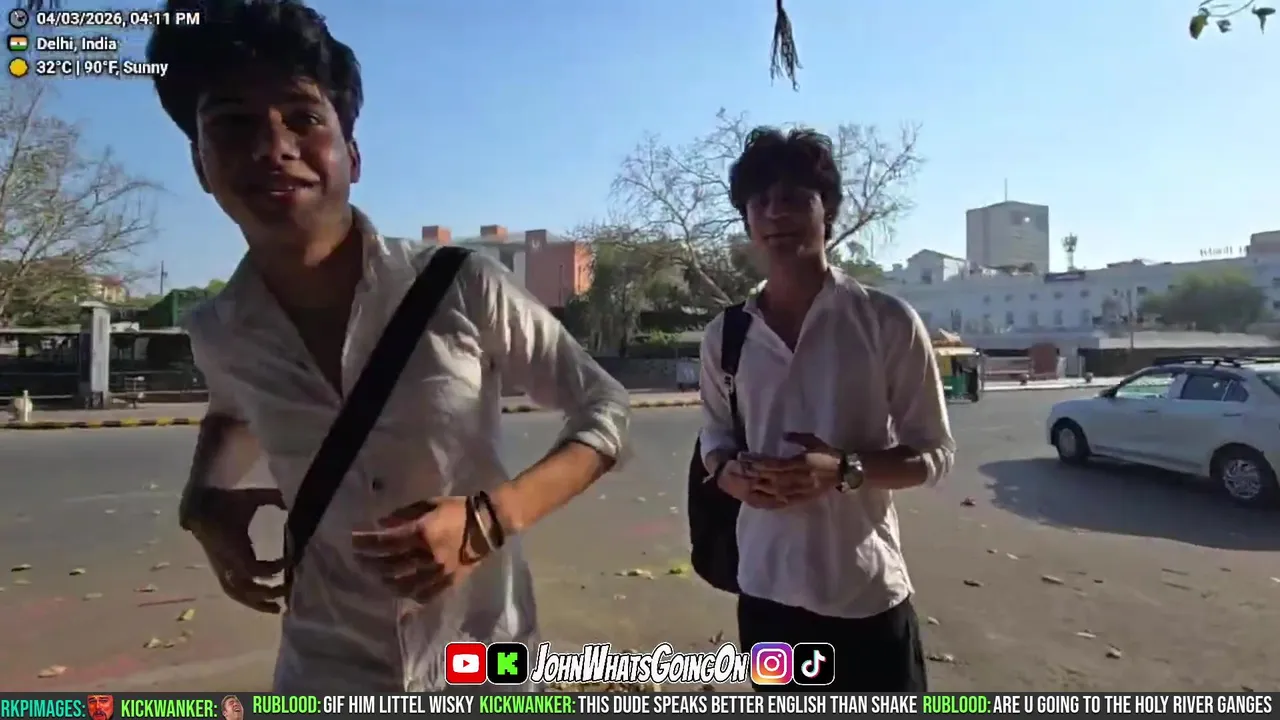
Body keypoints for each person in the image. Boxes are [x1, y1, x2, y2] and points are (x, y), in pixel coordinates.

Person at [145, 0, 630, 693]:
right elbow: (233, 410)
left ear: (353, 154)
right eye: (233, 123)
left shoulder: (462, 285)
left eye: (303, 117)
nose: (273, 146)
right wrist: (202, 500)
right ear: (200, 163)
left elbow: (605, 407)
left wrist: (489, 520)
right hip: (322, 674)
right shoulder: (219, 330)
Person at [698, 127, 955, 692]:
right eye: (760, 201)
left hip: (865, 597)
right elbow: (714, 438)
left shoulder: (886, 321)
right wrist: (728, 473)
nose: (775, 213)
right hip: (765, 598)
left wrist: (845, 469)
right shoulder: (726, 335)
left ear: (828, 211)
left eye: (794, 197)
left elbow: (934, 453)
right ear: (748, 221)